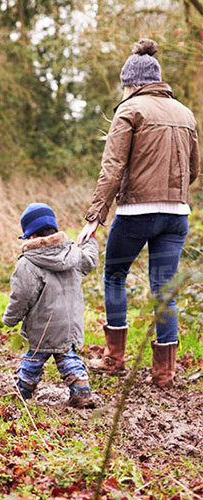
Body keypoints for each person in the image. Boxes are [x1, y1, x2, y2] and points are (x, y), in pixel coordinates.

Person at [77, 39, 201, 388]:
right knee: (164, 289)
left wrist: (94, 217)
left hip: (136, 213)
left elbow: (112, 169)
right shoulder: (185, 113)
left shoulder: (129, 110)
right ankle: (165, 372)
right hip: (176, 214)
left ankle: (114, 358)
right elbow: (194, 171)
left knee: (115, 274)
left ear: (131, 83)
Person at [3, 203, 99, 408]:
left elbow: (21, 296)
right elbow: (90, 259)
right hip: (70, 326)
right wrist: (90, 239)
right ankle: (81, 388)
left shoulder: (28, 263)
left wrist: (10, 318)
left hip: (42, 327)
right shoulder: (73, 253)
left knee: (33, 360)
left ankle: (23, 390)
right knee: (67, 356)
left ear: (30, 236)